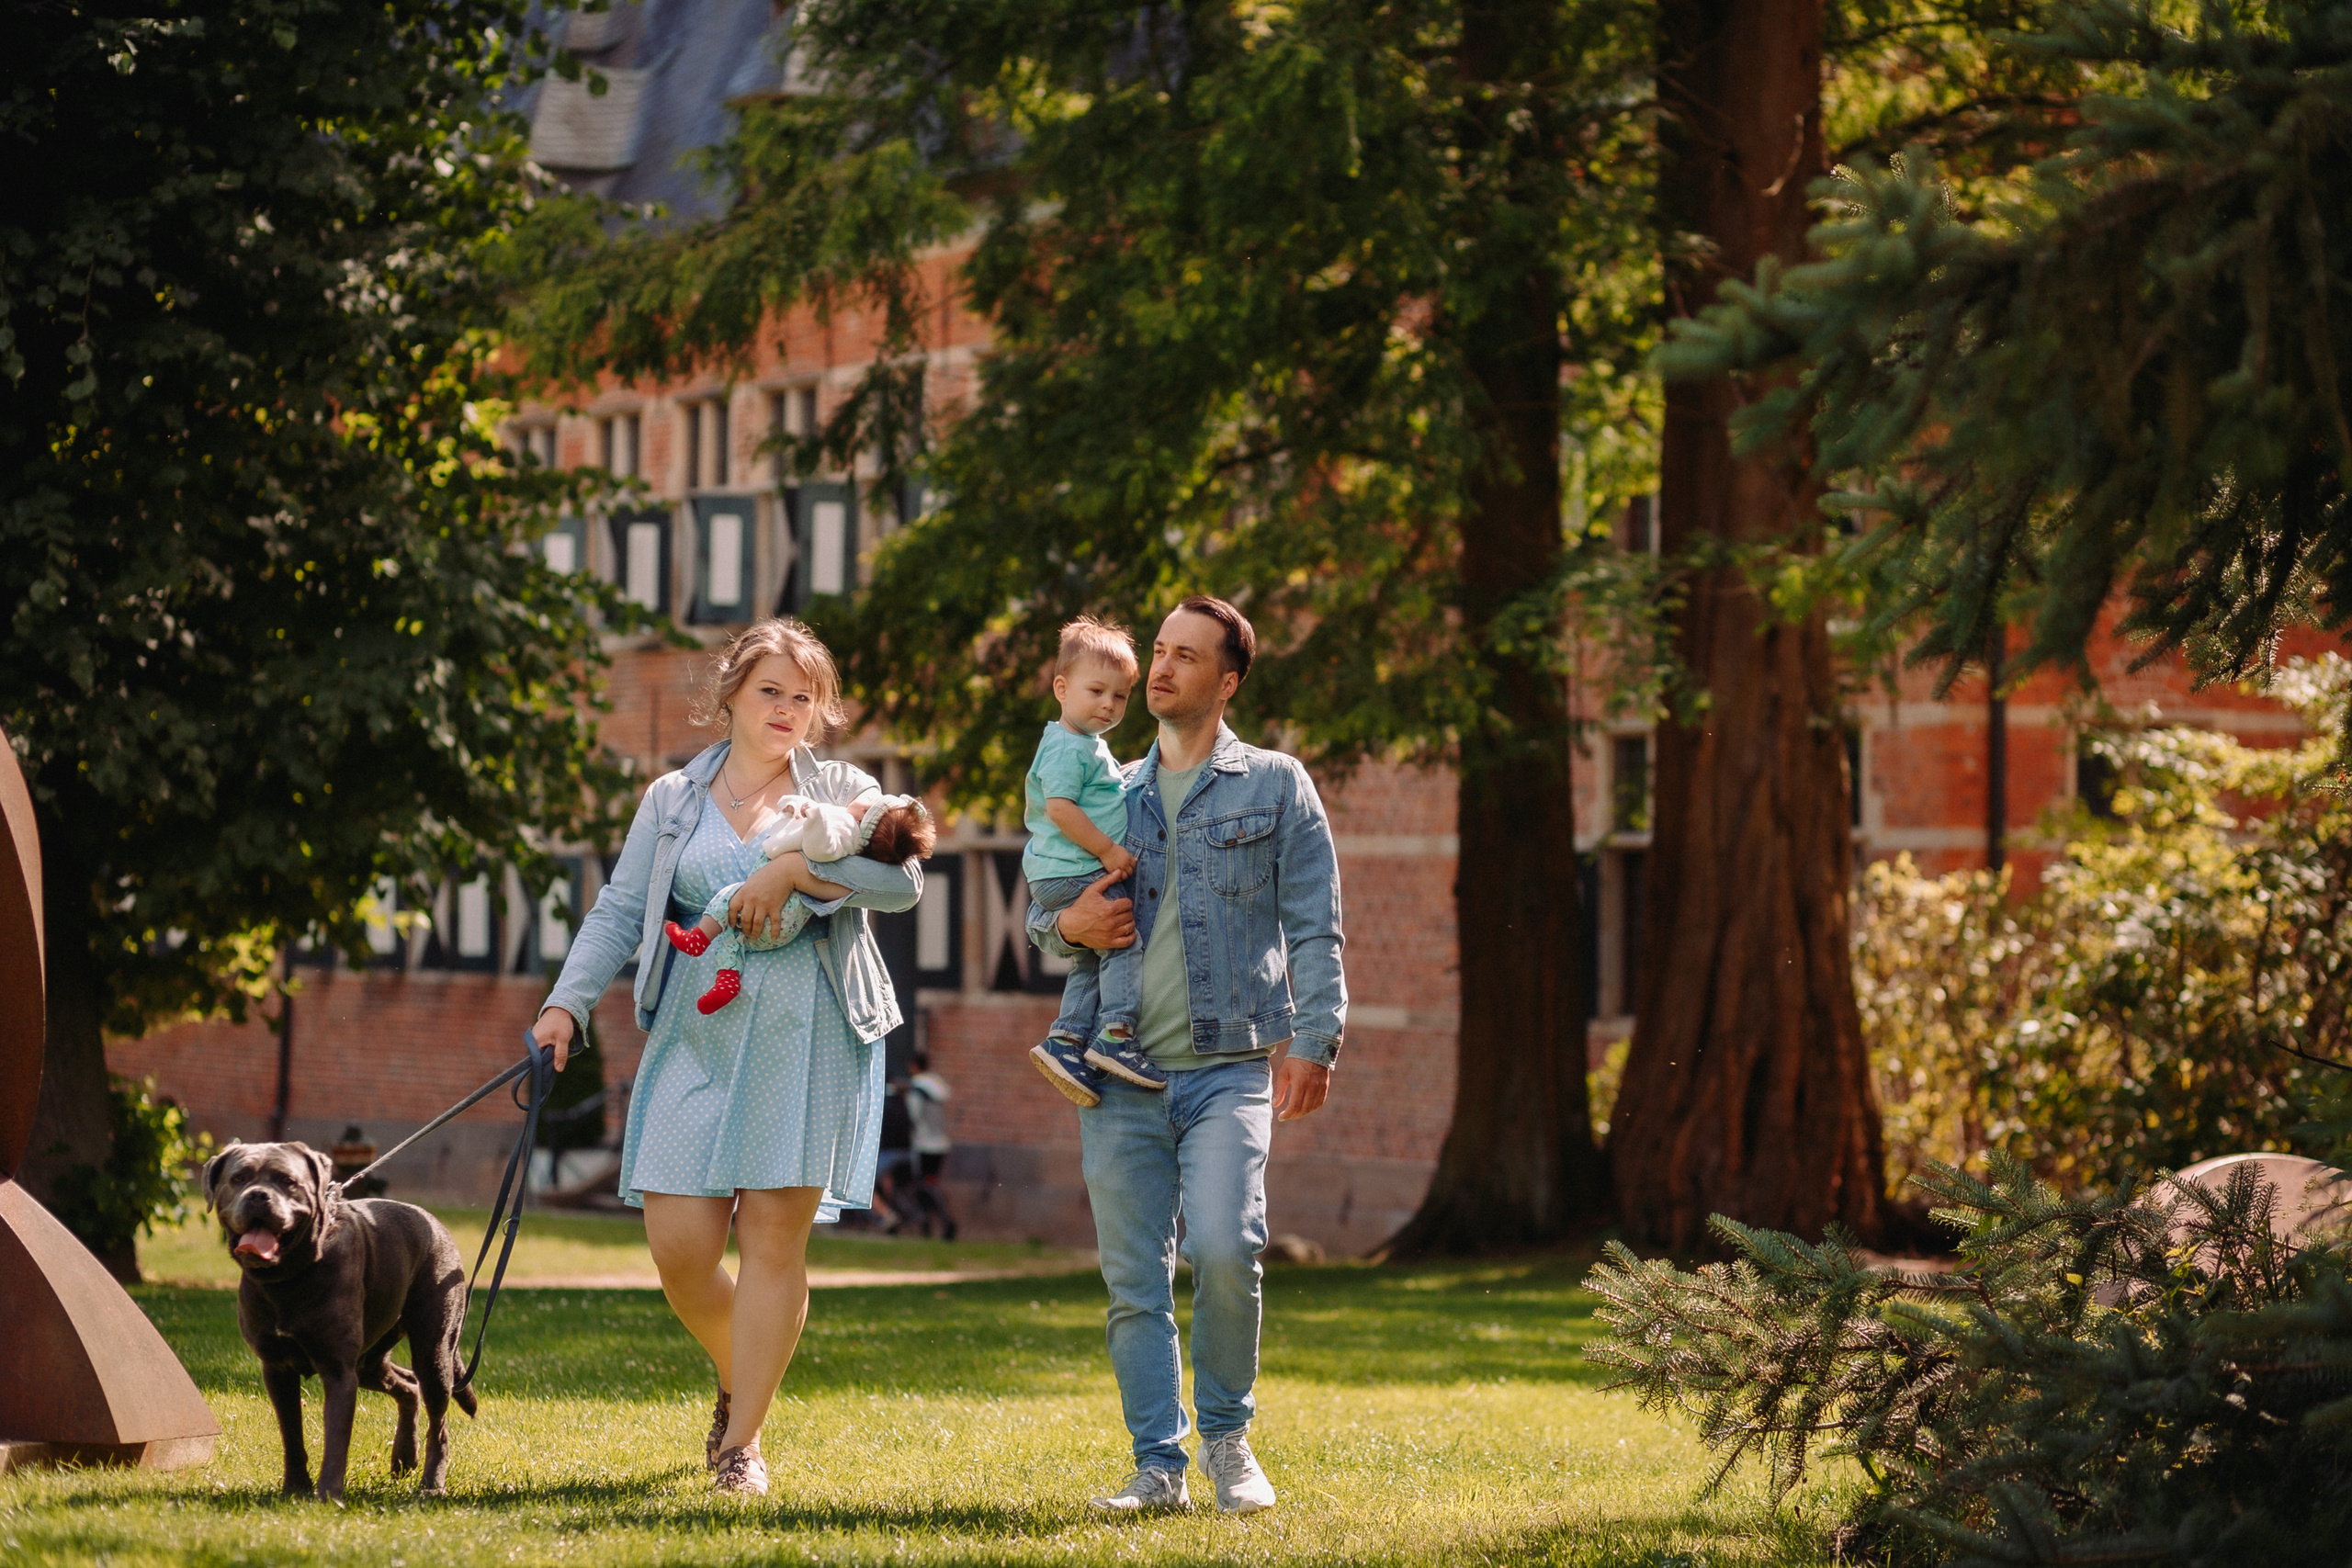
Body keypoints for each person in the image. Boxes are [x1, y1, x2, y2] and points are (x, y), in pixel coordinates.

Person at [530, 617, 927, 1497]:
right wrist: (565, 1004)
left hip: (809, 1028)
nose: (786, 709)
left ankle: (741, 1442)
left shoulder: (844, 789)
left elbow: (902, 881)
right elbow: (618, 907)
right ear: (733, 695)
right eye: (769, 691)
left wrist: (792, 874)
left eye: (803, 697)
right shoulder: (672, 797)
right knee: (679, 1246)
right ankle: (739, 1370)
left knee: (773, 1241)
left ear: (819, 710)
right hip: (696, 1027)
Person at [1027, 594, 1345, 1517]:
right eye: (1158, 651)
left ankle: (1228, 1440)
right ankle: (1156, 1466)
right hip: (1115, 1077)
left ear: (1228, 681)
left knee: (1226, 1247)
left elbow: (1315, 925)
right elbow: (1043, 911)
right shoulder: (1107, 787)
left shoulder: (1276, 784)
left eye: (1185, 656)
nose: (1160, 669)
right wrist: (1067, 926)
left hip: (1227, 1067)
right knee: (1135, 1283)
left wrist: (1315, 1041)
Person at [1020, 617, 1159, 1105]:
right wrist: (1107, 850)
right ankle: (1117, 1034)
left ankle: (1066, 1039)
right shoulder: (1065, 746)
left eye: (1119, 696)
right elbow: (1060, 809)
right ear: (1062, 689)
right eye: (1096, 691)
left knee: (1091, 954)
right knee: (1122, 938)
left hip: (1068, 871)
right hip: (1076, 870)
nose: (1108, 705)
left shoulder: (1086, 745)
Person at [662, 793, 934, 1013]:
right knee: (733, 935)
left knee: (728, 900)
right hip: (783, 922)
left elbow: (820, 847)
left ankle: (699, 938)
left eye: (873, 800)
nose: (869, 794)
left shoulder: (844, 826)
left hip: (780, 914)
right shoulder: (856, 837)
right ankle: (727, 980)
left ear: (865, 815)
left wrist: (805, 836)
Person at [904, 1049, 956, 1239]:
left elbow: (913, 1115)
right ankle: (939, 1221)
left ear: (914, 1066)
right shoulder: (937, 1083)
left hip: (923, 1143)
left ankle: (936, 1221)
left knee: (923, 1186)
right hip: (941, 1143)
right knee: (932, 1183)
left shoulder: (917, 1088)